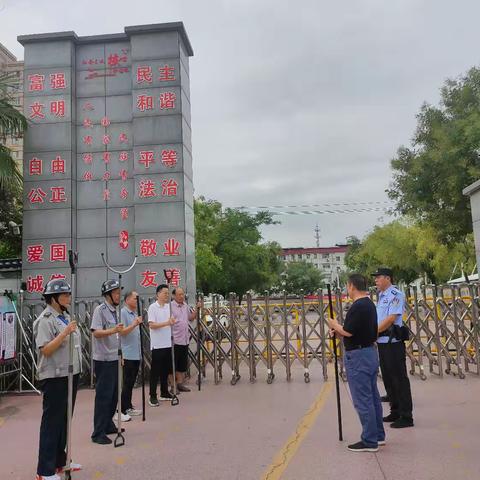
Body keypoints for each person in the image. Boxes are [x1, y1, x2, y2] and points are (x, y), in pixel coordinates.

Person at [328, 273, 385, 452]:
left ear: (352, 286)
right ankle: (378, 435)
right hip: (369, 352)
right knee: (373, 396)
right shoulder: (369, 304)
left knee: (363, 399)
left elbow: (349, 331)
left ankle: (369, 440)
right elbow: (359, 331)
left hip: (358, 356)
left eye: (347, 285)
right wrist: (339, 332)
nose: (347, 288)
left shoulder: (358, 306)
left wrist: (334, 324)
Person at [33, 279, 82, 480]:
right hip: (55, 377)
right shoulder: (45, 320)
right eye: (65, 295)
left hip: (70, 374)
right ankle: (44, 471)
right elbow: (45, 349)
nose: (69, 298)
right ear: (54, 298)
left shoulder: (64, 316)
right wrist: (64, 333)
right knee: (52, 423)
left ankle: (61, 462)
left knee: (64, 421)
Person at [373, 267, 414, 428]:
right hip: (382, 343)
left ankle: (406, 416)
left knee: (399, 379)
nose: (376, 280)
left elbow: (391, 319)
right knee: (388, 378)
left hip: (393, 343)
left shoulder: (396, 295)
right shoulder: (381, 296)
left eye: (378, 277)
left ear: (388, 278)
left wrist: (372, 332)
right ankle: (395, 410)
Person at [90, 279, 129, 445]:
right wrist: (114, 330)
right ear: (107, 295)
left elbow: (118, 336)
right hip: (103, 359)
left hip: (115, 357)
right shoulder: (100, 310)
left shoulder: (117, 311)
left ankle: (108, 424)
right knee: (104, 396)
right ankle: (98, 432)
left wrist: (122, 355)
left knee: (114, 395)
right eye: (115, 292)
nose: (118, 295)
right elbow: (96, 333)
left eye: (119, 292)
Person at [148, 284, 176, 406]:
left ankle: (164, 392)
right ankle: (152, 396)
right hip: (157, 345)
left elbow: (171, 321)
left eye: (167, 293)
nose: (167, 295)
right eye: (164, 293)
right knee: (155, 371)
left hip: (167, 343)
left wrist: (172, 322)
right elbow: (152, 325)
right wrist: (167, 323)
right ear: (158, 294)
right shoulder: (152, 307)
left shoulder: (168, 307)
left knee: (165, 370)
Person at [170, 287, 200, 392]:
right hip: (174, 340)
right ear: (173, 296)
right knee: (173, 364)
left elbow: (190, 318)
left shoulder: (185, 306)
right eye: (179, 294)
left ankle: (180, 384)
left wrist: (197, 309)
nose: (181, 296)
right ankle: (173, 386)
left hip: (184, 339)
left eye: (182, 294)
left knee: (182, 364)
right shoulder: (170, 307)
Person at [120, 290, 143, 416]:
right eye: (135, 298)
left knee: (131, 381)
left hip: (136, 353)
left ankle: (128, 406)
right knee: (127, 382)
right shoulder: (123, 313)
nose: (136, 300)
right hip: (127, 353)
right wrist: (134, 324)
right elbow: (122, 332)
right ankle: (123, 408)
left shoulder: (134, 313)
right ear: (127, 299)